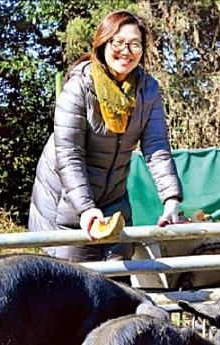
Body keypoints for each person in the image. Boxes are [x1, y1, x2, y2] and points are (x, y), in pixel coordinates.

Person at [28, 10, 183, 263]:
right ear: (103, 43)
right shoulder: (79, 86)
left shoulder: (148, 89)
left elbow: (156, 148)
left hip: (113, 200)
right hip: (65, 205)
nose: (126, 51)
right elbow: (68, 154)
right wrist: (86, 209)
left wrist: (171, 199)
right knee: (78, 289)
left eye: (135, 44)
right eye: (118, 42)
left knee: (118, 281)